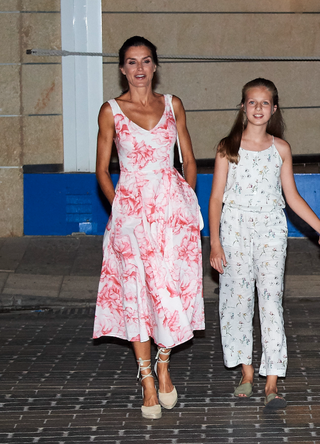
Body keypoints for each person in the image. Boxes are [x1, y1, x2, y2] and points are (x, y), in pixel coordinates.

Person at [93, 36, 204, 419]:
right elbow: (102, 169)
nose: (139, 68)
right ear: (122, 69)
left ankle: (164, 361)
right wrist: (119, 209)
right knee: (137, 293)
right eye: (130, 62)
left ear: (155, 66)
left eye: (145, 61)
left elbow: (188, 158)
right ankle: (146, 379)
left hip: (171, 215)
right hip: (131, 217)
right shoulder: (111, 111)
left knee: (172, 291)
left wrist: (185, 199)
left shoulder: (172, 105)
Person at [209, 78, 320, 410]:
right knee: (237, 302)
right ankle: (246, 372)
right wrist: (215, 243)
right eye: (252, 102)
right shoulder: (227, 147)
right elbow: (215, 199)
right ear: (243, 107)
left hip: (271, 229)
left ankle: (272, 378)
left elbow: (293, 198)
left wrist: (318, 228)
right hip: (234, 230)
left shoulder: (280, 148)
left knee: (271, 302)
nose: (258, 108)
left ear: (274, 108)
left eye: (265, 103)